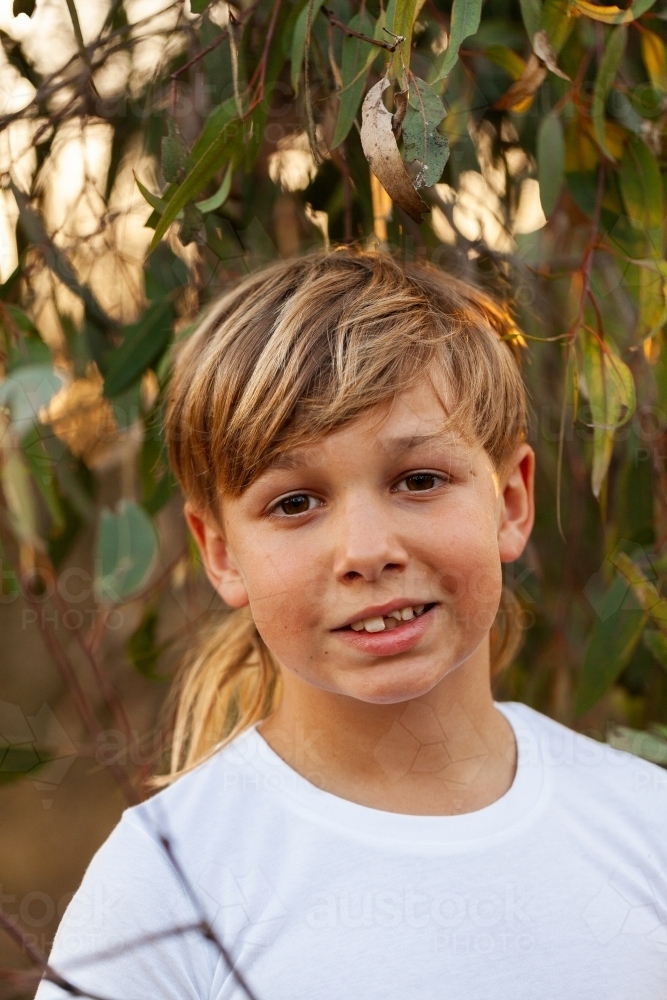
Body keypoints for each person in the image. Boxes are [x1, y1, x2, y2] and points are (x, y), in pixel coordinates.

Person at [35, 247, 667, 1000]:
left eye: (418, 480)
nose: (366, 553)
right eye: (294, 502)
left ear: (509, 502)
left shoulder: (643, 826)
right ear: (221, 554)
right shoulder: (163, 884)